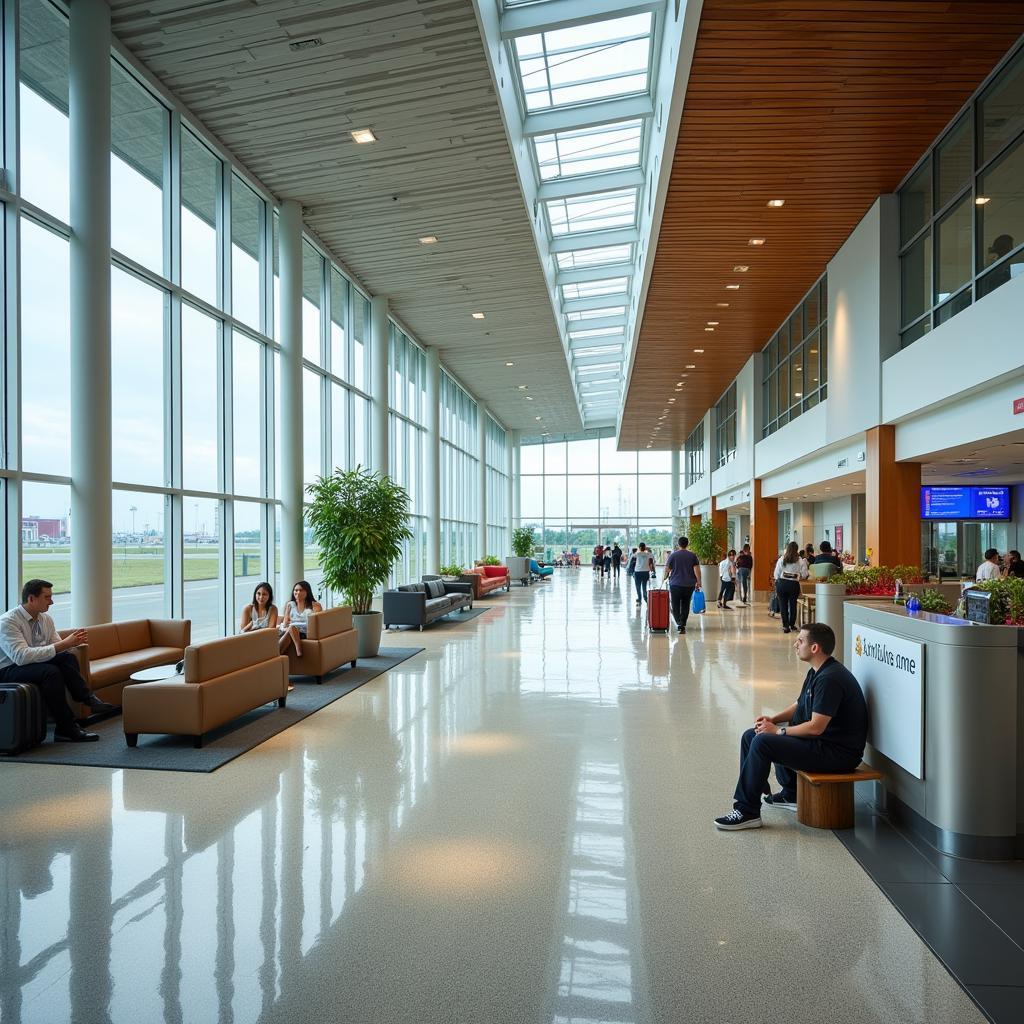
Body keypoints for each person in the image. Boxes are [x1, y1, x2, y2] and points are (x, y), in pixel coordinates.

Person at [714, 622, 868, 830]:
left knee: (763, 742)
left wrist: (778, 731)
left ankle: (747, 810)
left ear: (815, 648)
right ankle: (791, 794)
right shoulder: (817, 671)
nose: (795, 644)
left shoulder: (830, 679)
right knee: (751, 735)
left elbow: (816, 727)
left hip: (838, 754)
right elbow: (799, 705)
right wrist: (773, 720)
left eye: (801, 641)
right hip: (822, 744)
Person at [0, 579, 115, 742]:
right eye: (47, 597)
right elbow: (21, 657)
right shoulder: (8, 621)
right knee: (50, 672)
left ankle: (87, 698)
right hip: (8, 669)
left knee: (67, 656)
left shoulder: (45, 619)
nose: (52, 602)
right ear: (31, 598)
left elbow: (57, 648)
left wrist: (71, 644)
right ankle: (66, 727)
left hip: (31, 664)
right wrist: (65, 643)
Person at [663, 536, 700, 634]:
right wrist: (699, 581)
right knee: (685, 604)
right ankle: (682, 624)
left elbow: (667, 569)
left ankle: (679, 623)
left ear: (678, 544)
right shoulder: (693, 555)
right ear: (687, 544)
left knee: (675, 604)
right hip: (689, 584)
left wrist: (665, 577)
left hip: (675, 584)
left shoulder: (673, 555)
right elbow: (697, 570)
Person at [279, 580, 322, 657]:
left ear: (307, 592)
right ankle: (297, 650)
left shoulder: (315, 605)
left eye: (301, 590)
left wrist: (293, 624)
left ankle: (275, 655)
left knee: (291, 628)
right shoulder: (290, 604)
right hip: (291, 630)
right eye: (296, 590)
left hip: (305, 632)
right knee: (291, 629)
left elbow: (316, 623)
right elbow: (285, 624)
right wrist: (287, 612)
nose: (298, 592)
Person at [773, 541, 808, 634]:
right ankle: (792, 624)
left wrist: (778, 580)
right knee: (793, 605)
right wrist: (798, 575)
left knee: (783, 605)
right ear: (797, 549)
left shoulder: (782, 559)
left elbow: (776, 573)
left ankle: (785, 626)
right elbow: (805, 574)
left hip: (782, 584)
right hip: (793, 585)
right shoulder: (800, 560)